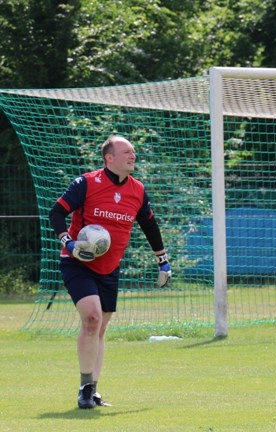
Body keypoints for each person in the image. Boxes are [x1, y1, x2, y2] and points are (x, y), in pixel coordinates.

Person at [48, 135, 172, 409]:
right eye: (126, 151)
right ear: (109, 158)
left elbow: (149, 226)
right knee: (91, 319)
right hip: (77, 263)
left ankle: (94, 390)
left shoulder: (138, 190)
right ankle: (84, 387)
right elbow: (56, 213)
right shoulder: (87, 182)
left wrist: (163, 260)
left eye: (134, 152)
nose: (133, 156)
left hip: (109, 267)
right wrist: (67, 240)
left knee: (101, 328)